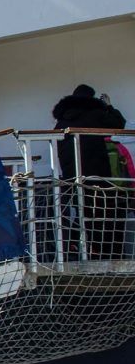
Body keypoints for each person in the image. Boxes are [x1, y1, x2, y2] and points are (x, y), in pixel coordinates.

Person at [53, 85, 128, 257]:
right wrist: (108, 106)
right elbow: (119, 124)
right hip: (97, 174)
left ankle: (74, 246)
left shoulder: (61, 122)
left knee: (81, 210)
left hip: (71, 176)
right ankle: (99, 250)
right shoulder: (95, 115)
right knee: (100, 212)